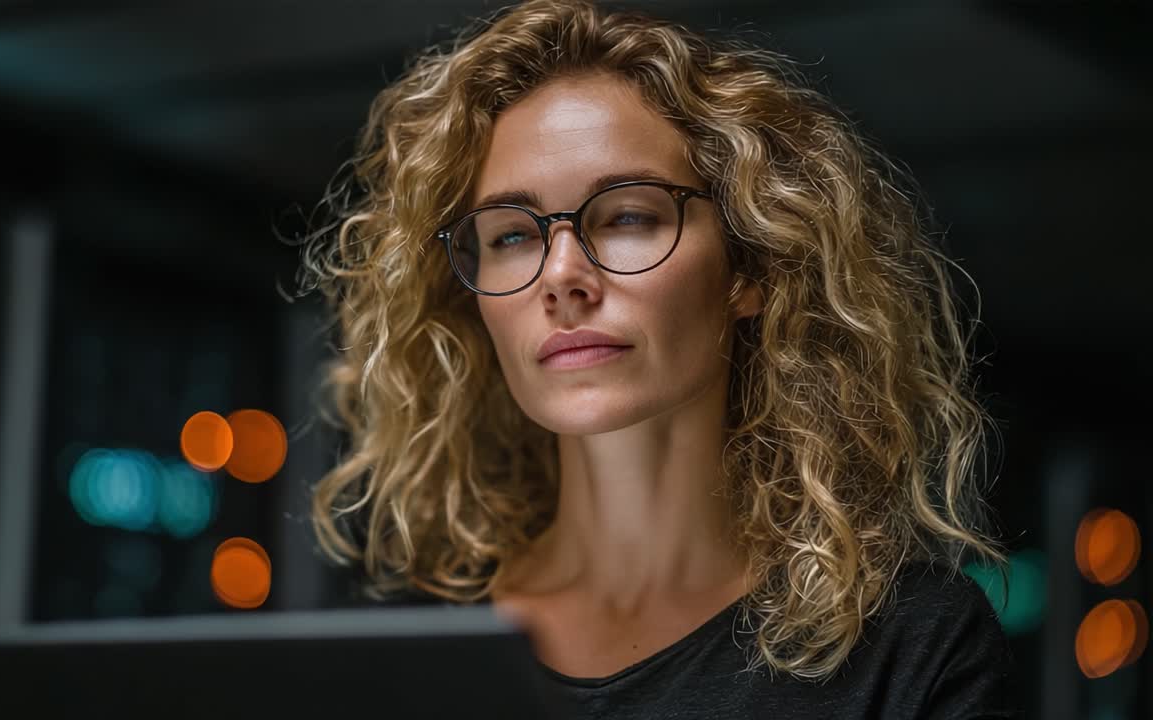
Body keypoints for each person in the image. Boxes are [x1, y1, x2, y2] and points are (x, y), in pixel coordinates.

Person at [288, 0, 1021, 717]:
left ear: (751, 267)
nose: (561, 275)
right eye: (512, 235)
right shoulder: (409, 650)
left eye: (629, 216)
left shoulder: (912, 645)